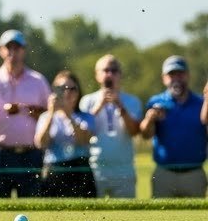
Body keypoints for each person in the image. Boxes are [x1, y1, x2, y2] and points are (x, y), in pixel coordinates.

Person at [0, 30, 51, 198]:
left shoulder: (38, 80)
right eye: (8, 48)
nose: (12, 52)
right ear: (1, 51)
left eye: (17, 48)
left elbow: (50, 113)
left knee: (32, 203)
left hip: (31, 153)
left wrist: (34, 112)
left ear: (24, 50)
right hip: (0, 153)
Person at [140, 56, 208, 198]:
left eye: (180, 74)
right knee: (161, 212)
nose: (176, 78)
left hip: (194, 173)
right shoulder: (156, 102)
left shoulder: (201, 103)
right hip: (164, 173)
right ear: (164, 78)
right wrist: (149, 119)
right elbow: (146, 134)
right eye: (171, 75)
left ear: (187, 75)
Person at [78, 55, 142, 198]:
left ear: (120, 75)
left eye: (114, 70)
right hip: (95, 168)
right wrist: (98, 106)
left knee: (125, 212)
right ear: (97, 75)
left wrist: (120, 106)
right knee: (92, 212)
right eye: (105, 70)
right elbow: (82, 134)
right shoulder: (87, 101)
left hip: (124, 170)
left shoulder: (132, 101)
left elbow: (134, 131)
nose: (110, 74)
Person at [34, 71, 96, 198]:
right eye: (62, 88)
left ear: (78, 92)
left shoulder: (86, 116)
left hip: (80, 170)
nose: (67, 92)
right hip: (54, 170)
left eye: (72, 89)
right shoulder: (45, 117)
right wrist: (51, 113)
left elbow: (83, 140)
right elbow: (41, 143)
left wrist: (68, 114)